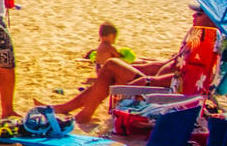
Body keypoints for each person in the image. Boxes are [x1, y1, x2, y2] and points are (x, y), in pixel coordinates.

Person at [41, 10, 217, 124]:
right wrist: (140, 65)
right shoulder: (197, 39)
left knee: (110, 66)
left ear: (210, 18)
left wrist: (146, 80)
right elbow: (169, 65)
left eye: (199, 13)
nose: (193, 16)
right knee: (111, 71)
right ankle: (72, 109)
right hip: (156, 82)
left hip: (160, 90)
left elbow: (184, 79)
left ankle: (78, 111)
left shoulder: (207, 45)